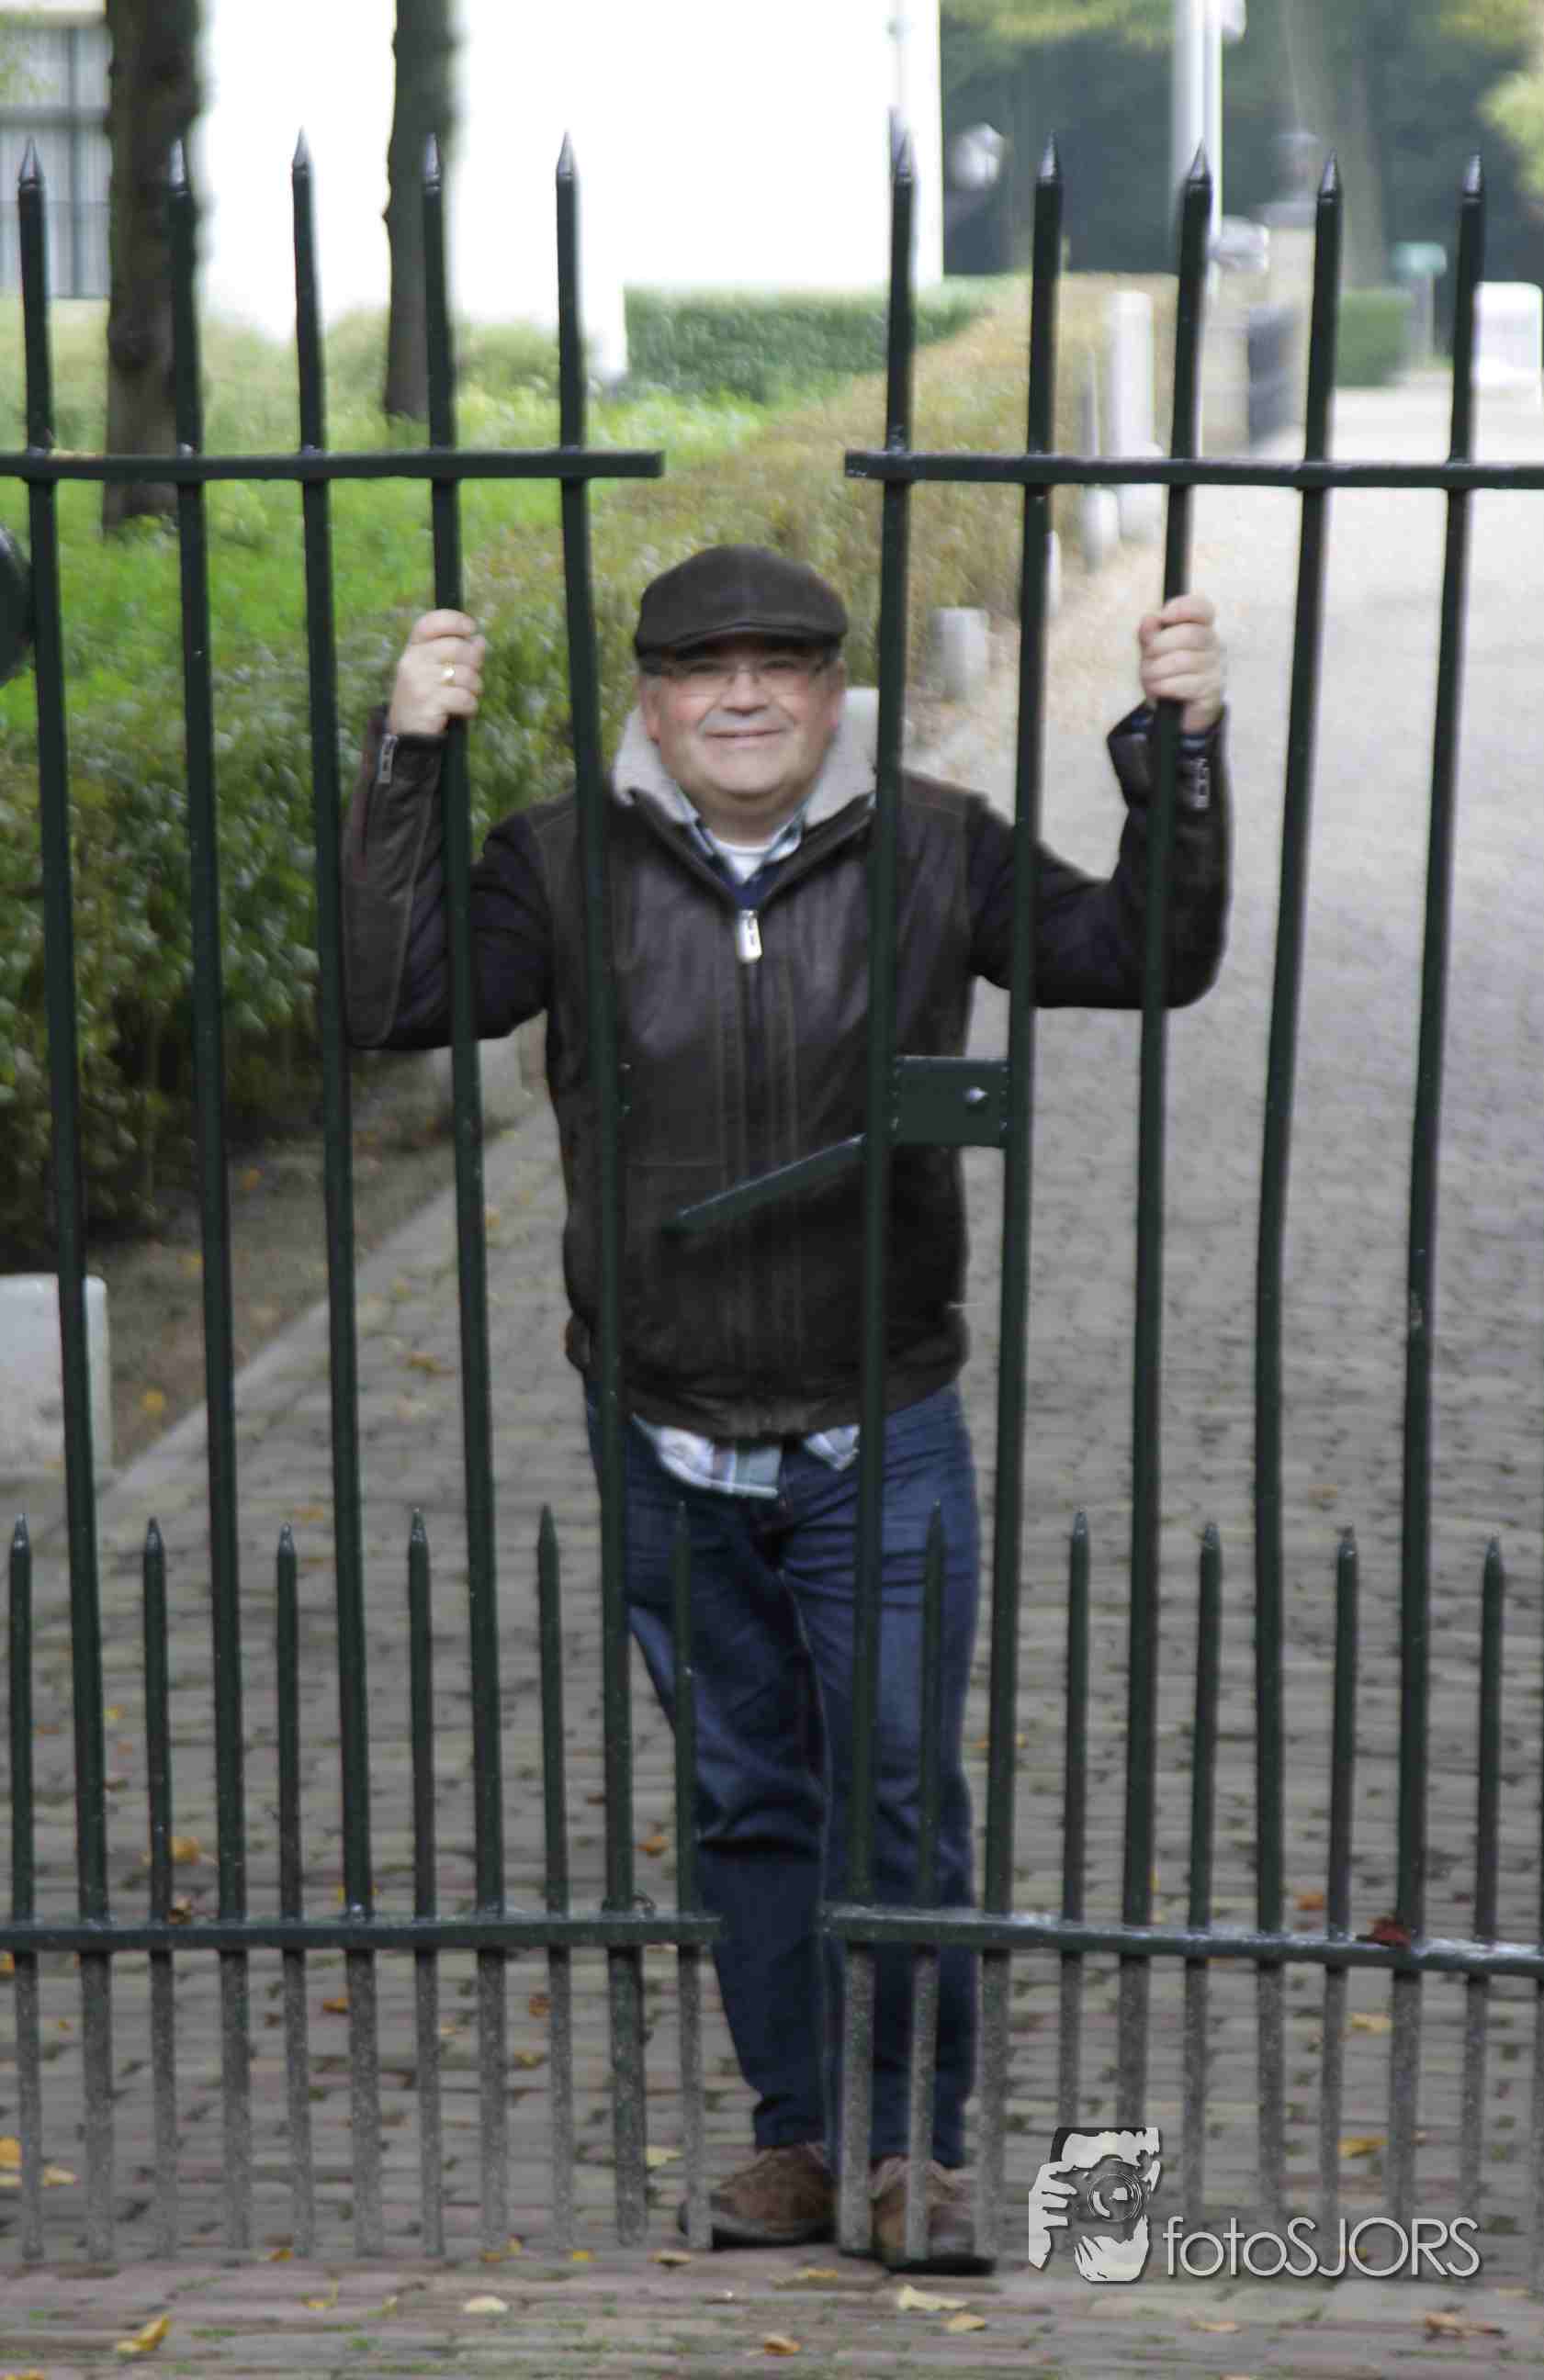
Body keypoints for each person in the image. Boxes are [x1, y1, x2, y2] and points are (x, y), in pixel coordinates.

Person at [342, 544, 1229, 2273]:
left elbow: (1142, 955)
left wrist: (1177, 758)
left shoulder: (936, 846)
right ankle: (800, 2138)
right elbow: (397, 1001)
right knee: (751, 1800)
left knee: (894, 1796)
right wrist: (407, 762)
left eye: (781, 663)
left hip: (876, 1423)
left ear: (833, 694)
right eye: (703, 666)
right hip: (661, 1428)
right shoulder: (559, 859)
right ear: (651, 697)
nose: (741, 694)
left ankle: (910, 2152)